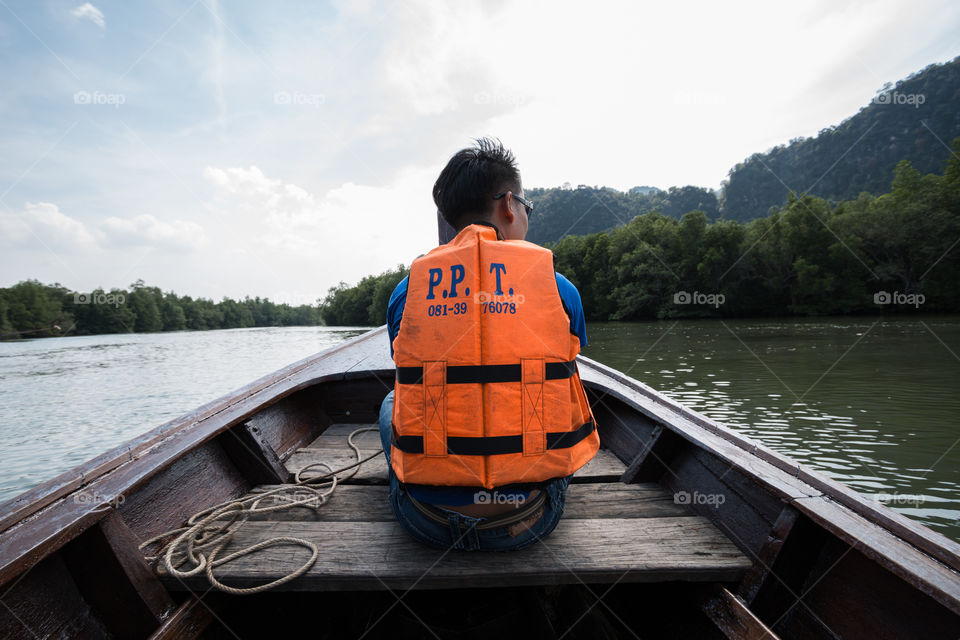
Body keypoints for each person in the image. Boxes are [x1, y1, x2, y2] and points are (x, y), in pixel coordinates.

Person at [378, 138, 599, 551]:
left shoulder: (407, 292)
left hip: (426, 521)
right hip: (530, 519)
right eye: (526, 208)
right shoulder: (560, 288)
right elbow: (566, 367)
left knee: (392, 403)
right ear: (509, 205)